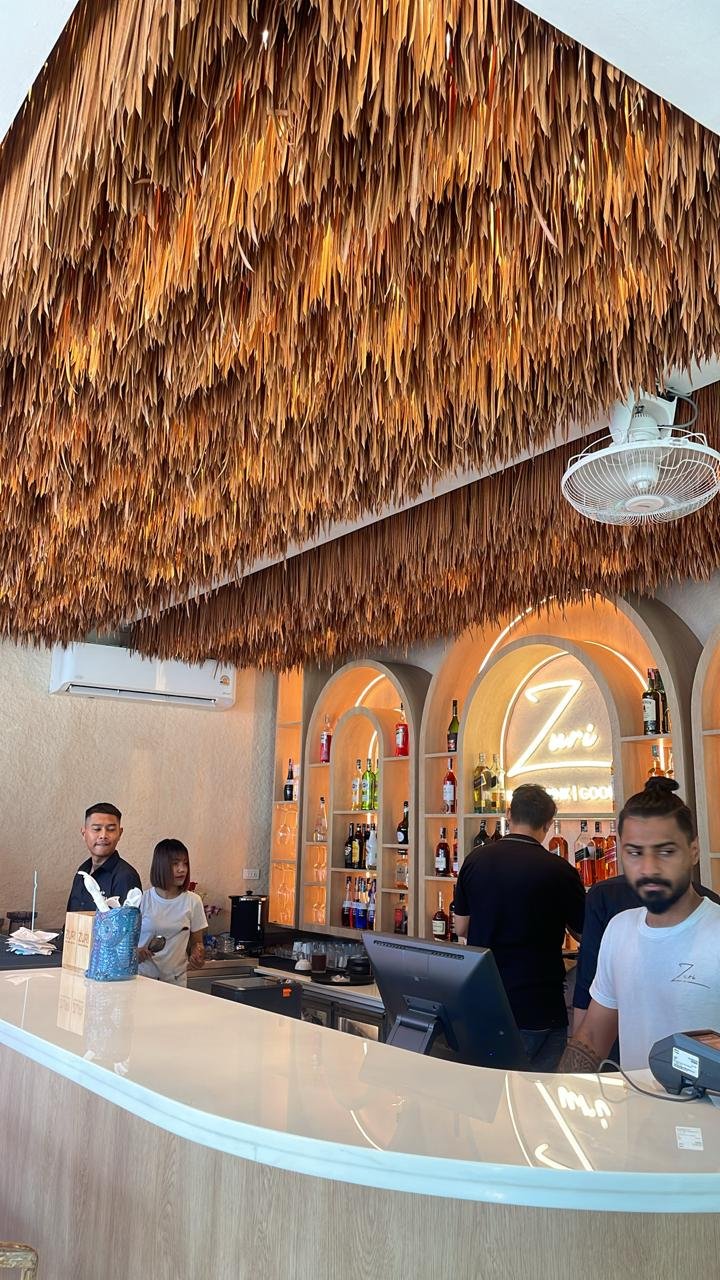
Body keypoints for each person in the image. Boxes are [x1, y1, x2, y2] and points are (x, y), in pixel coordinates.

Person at [560, 777, 720, 1074]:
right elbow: (592, 1038)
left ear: (694, 851)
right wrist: (561, 1093)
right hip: (633, 1105)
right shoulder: (619, 929)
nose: (649, 868)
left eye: (666, 851)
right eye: (635, 853)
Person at [453, 783, 585, 1071]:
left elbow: (461, 927)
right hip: (539, 1006)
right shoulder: (560, 870)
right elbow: (583, 934)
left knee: (485, 1092)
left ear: (508, 814)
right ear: (548, 824)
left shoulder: (475, 860)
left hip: (484, 1001)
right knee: (537, 1094)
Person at [137, 839, 207, 986]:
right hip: (143, 980)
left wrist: (198, 954)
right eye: (175, 864)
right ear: (160, 866)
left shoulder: (193, 901)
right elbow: (124, 946)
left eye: (185, 863)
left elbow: (197, 942)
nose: (182, 869)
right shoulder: (142, 900)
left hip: (176, 983)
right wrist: (135, 953)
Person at [67, 802, 142, 912]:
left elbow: (126, 921)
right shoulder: (83, 871)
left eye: (111, 829)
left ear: (120, 833)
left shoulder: (125, 876)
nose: (103, 835)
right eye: (97, 829)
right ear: (84, 833)